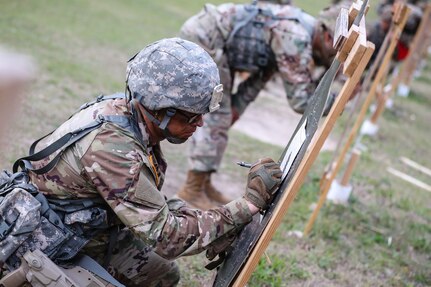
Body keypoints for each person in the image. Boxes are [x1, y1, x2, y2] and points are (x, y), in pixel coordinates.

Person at [7, 38, 281, 287]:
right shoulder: (113, 147)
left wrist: (217, 226)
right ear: (159, 109)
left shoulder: (129, 112)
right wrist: (247, 206)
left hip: (79, 229)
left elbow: (149, 202)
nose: (199, 123)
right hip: (49, 248)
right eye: (190, 116)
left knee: (162, 275)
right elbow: (167, 238)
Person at [176, 0, 338, 210]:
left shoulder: (296, 32)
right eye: (335, 53)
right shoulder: (295, 38)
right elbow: (301, 101)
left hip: (219, 42)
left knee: (221, 118)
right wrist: (336, 101)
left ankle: (203, 184)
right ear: (328, 37)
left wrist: (235, 110)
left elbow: (260, 78)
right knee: (216, 115)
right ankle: (191, 190)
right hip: (208, 38)